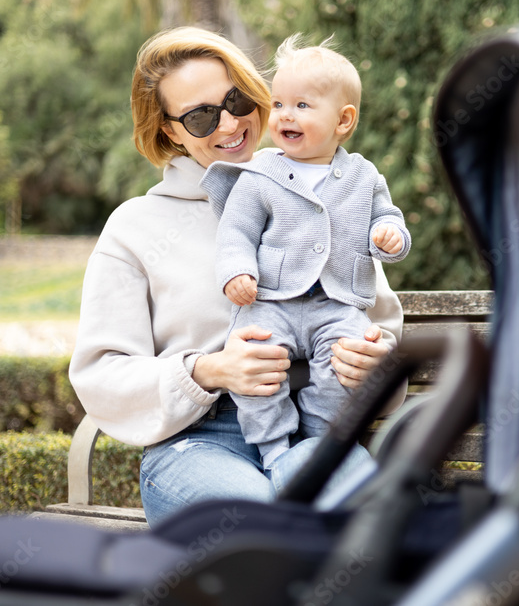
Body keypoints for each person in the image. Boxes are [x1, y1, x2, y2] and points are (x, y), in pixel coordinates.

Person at [68, 26, 406, 527]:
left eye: (237, 99)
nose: (230, 123)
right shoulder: (134, 227)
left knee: (372, 526)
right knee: (267, 529)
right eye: (202, 116)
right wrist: (208, 371)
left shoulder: (328, 197)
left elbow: (378, 326)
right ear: (170, 132)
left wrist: (374, 363)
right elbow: (100, 374)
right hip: (197, 443)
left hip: (315, 434)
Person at [199, 35, 411, 470]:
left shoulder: (363, 176)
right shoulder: (259, 174)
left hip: (337, 301)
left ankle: (319, 440)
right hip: (271, 299)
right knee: (256, 366)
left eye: (302, 106)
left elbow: (388, 218)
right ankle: (274, 446)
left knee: (344, 365)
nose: (284, 116)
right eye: (278, 105)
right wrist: (237, 271)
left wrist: (389, 234)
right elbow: (236, 231)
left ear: (344, 120)